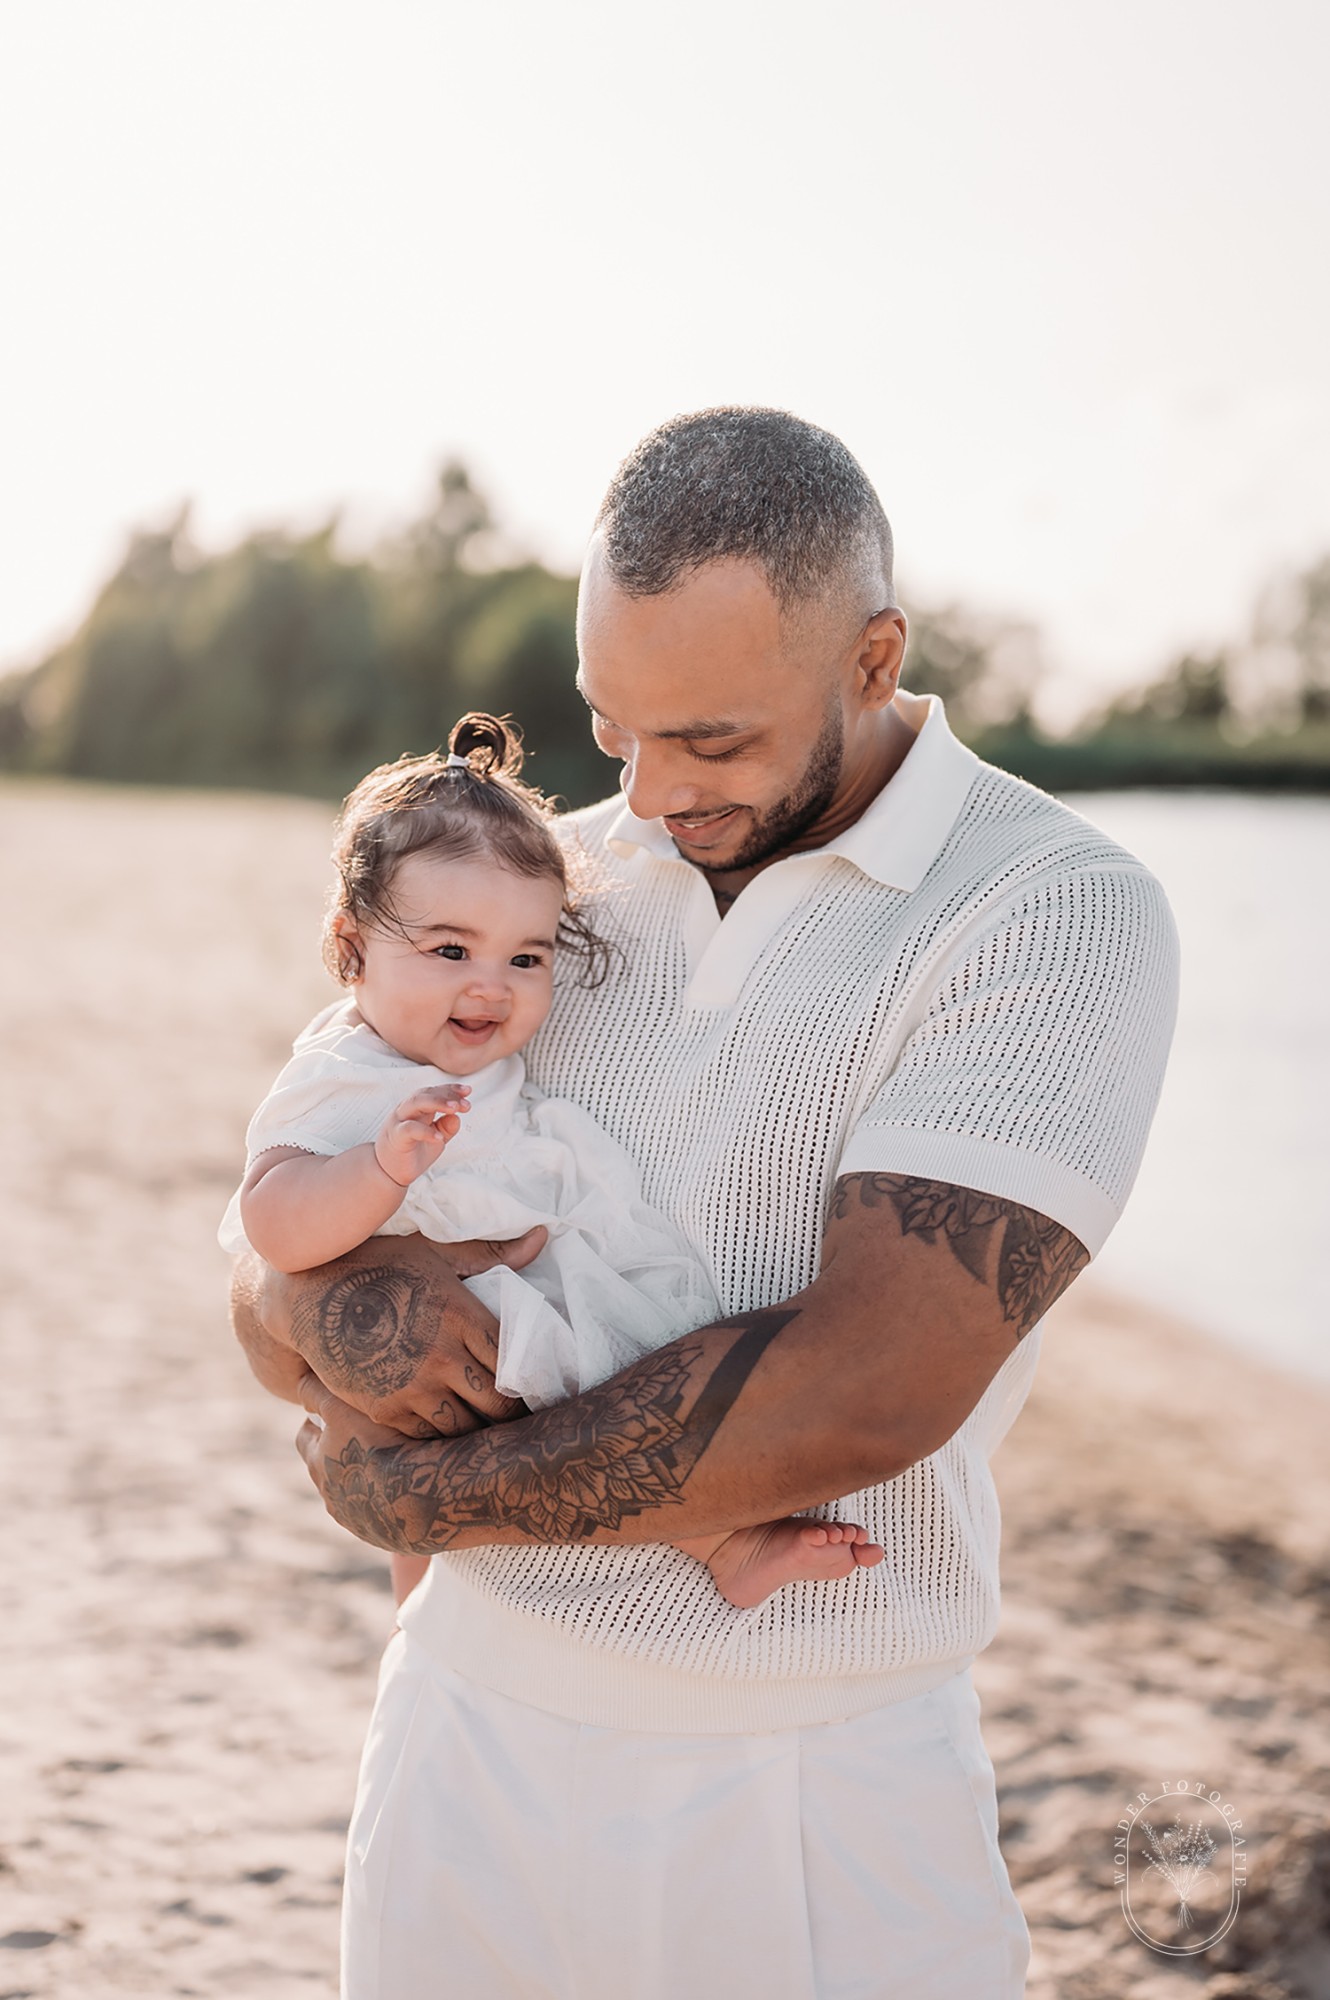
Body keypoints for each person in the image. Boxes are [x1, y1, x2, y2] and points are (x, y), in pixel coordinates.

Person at [231, 407, 1179, 2000]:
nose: (653, 795)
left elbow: (863, 1388)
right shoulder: (533, 893)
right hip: (465, 1732)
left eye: (715, 740)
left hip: (809, 1778)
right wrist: (330, 1312)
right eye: (615, 729)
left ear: (873, 658)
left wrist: (414, 1494)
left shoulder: (1052, 912)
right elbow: (264, 1270)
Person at [219, 711, 884, 1613]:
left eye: (526, 957)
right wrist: (378, 1171)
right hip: (470, 1322)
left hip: (523, 1287)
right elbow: (271, 1223)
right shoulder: (342, 1077)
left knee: (612, 1397)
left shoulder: (471, 1041)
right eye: (450, 951)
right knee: (564, 1397)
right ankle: (723, 1540)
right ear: (349, 946)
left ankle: (456, 1598)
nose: (491, 985)